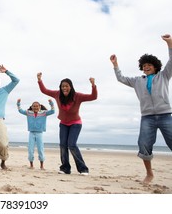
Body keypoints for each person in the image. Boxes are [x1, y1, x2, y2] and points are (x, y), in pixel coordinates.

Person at [110, 34, 172, 185]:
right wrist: (116, 64)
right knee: (143, 144)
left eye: (149, 64)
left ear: (155, 66)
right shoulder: (137, 81)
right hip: (147, 118)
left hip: (165, 115)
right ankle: (149, 174)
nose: (146, 67)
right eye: (144, 65)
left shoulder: (164, 76)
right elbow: (121, 78)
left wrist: (169, 44)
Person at [37, 72, 97, 175]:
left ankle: (83, 169)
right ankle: (65, 168)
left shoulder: (78, 96)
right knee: (63, 145)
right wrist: (39, 80)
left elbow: (93, 97)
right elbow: (44, 90)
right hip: (64, 123)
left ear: (71, 87)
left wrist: (93, 85)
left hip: (75, 123)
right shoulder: (57, 94)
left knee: (72, 145)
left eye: (66, 86)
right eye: (62, 86)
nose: (64, 88)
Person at [17, 98, 55, 169]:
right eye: (34, 106)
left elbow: (53, 111)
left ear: (39, 107)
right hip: (31, 133)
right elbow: (20, 110)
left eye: (37, 106)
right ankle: (31, 165)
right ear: (32, 107)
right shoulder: (28, 113)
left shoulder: (44, 113)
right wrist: (18, 103)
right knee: (30, 150)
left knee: (40, 149)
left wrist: (51, 103)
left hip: (39, 133)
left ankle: (41, 165)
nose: (35, 107)